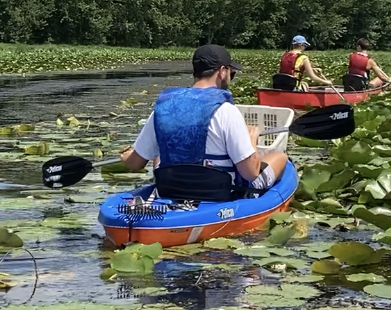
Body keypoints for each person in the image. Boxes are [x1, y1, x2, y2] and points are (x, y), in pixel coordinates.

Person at [119, 44, 287, 197]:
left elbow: (135, 164)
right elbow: (250, 173)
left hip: (172, 189)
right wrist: (252, 141)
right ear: (222, 71)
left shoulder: (162, 109)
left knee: (158, 157)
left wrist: (125, 156)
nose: (230, 77)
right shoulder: (227, 111)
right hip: (219, 194)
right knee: (280, 157)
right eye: (231, 73)